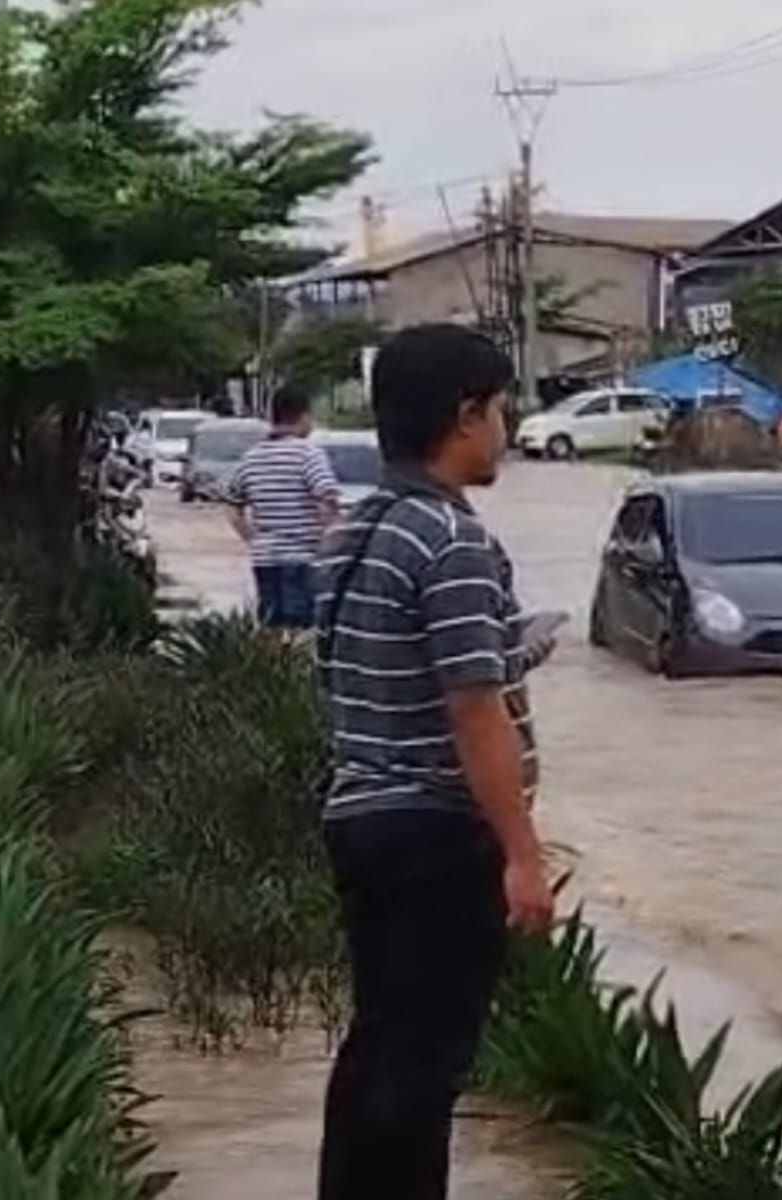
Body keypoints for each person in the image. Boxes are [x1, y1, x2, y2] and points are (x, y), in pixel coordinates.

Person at [315, 324, 555, 1200]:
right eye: (500, 409)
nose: (507, 428)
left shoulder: (356, 528)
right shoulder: (450, 540)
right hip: (435, 832)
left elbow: (394, 669)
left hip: (361, 815)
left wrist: (511, 651)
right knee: (426, 1069)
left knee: (377, 1044)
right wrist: (524, 854)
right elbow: (471, 707)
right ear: (465, 416)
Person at [225, 383, 340, 629]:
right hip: (302, 558)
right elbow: (326, 503)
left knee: (272, 629)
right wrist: (331, 544)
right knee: (304, 630)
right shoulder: (309, 455)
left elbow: (232, 508)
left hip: (264, 559)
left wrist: (254, 538)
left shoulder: (252, 457)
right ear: (304, 416)